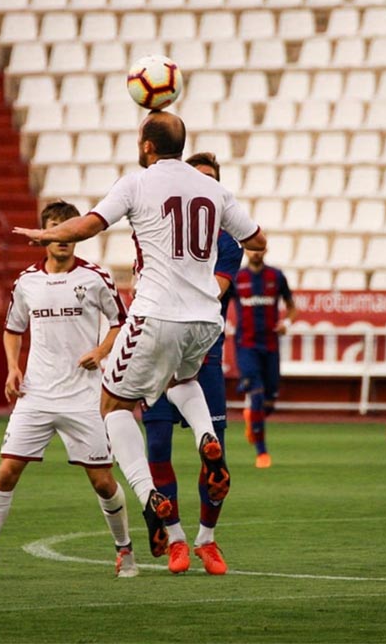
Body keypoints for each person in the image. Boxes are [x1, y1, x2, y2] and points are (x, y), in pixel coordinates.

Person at [13, 110, 265, 560]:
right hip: (206, 319)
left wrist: (43, 234)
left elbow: (90, 225)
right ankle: (206, 438)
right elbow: (258, 241)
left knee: (112, 404)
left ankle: (150, 495)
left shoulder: (137, 182)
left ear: (148, 146)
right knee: (180, 381)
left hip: (156, 314)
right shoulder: (214, 189)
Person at [0, 201, 139, 580]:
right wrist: (12, 368)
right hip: (36, 395)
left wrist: (101, 351)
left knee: (103, 481)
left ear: (75, 233)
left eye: (67, 228)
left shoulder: (94, 278)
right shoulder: (27, 283)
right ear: (44, 236)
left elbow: (119, 323)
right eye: (54, 228)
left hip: (84, 396)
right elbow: (12, 329)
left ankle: (125, 552)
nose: (61, 236)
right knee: (6, 471)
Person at [142, 152, 242, 575]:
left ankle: (208, 539)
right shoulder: (159, 232)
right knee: (159, 449)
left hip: (204, 352)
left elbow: (213, 292)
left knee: (213, 459)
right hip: (159, 351)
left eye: (210, 181)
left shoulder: (226, 243)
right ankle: (178, 539)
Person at [231, 246, 297, 468]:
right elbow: (218, 302)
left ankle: (253, 416)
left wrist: (286, 323)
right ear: (246, 252)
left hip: (270, 345)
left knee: (268, 402)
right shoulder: (237, 277)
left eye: (259, 249)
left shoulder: (276, 276)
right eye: (251, 249)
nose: (256, 253)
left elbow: (291, 306)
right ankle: (262, 453)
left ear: (266, 251)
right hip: (246, 345)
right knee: (257, 394)